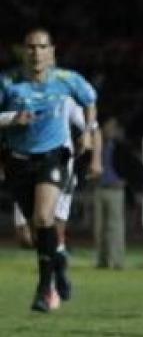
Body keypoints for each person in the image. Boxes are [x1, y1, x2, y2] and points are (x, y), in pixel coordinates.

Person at [0, 27, 99, 312]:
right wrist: (12, 119)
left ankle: (44, 290)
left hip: (53, 156)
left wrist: (89, 131)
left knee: (45, 217)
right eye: (30, 47)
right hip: (18, 160)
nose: (36, 53)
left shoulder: (67, 80)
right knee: (35, 232)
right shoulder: (9, 83)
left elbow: (90, 100)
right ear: (23, 52)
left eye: (42, 47)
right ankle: (59, 264)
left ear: (52, 51)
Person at [11, 97, 100, 308]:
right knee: (30, 236)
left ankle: (47, 289)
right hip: (22, 168)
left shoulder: (63, 98)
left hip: (57, 168)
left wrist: (95, 158)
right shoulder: (14, 94)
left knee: (51, 224)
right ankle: (58, 266)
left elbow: (93, 128)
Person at [94, 116, 131, 270]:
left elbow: (133, 165)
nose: (110, 130)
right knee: (99, 227)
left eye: (112, 127)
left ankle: (117, 261)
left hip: (115, 189)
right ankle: (103, 261)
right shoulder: (97, 145)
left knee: (115, 227)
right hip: (99, 188)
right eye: (108, 126)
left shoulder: (121, 147)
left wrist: (125, 179)